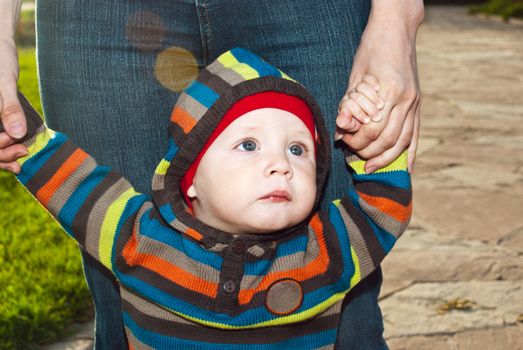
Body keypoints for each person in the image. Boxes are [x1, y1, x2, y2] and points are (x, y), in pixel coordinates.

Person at [0, 1, 423, 348]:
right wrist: (23, 136)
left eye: (298, 149)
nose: (282, 164)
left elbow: (382, 210)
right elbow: (73, 182)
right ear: (190, 178)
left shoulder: (328, 249)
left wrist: (374, 136)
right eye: (249, 146)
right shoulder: (137, 238)